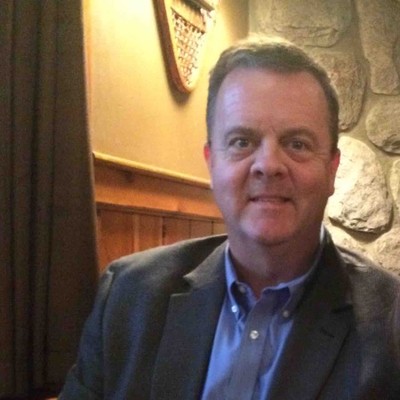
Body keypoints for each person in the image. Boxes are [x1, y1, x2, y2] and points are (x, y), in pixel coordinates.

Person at [59, 36, 400, 399]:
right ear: (212, 164)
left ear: (332, 170)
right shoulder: (128, 297)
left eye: (297, 143)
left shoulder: (391, 324)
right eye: (242, 141)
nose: (268, 165)